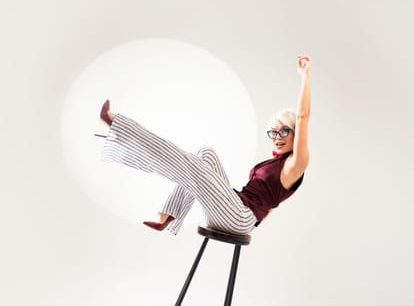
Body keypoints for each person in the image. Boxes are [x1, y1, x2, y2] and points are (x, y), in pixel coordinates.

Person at [97, 54, 312, 236]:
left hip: (238, 215)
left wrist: (305, 76)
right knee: (205, 153)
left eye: (284, 131)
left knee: (189, 164)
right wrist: (254, 224)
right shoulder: (276, 164)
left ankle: (116, 123)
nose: (277, 137)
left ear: (296, 133)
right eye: (273, 132)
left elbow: (302, 116)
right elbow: (269, 205)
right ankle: (168, 215)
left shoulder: (295, 164)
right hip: (235, 207)